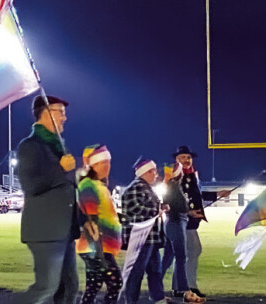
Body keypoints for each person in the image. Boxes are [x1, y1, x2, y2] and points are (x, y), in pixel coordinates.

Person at [13, 95, 80, 304]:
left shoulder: (58, 147)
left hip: (64, 231)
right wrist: (61, 169)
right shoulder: (30, 146)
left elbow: (67, 191)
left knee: (69, 287)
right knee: (45, 288)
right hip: (46, 232)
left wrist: (83, 222)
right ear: (46, 113)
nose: (65, 118)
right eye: (61, 112)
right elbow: (32, 186)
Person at [169, 146, 230, 298]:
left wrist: (217, 193)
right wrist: (188, 212)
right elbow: (174, 199)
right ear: (177, 160)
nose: (186, 160)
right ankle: (188, 286)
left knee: (183, 254)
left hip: (189, 221)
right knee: (193, 251)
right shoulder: (175, 177)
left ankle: (179, 287)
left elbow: (197, 195)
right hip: (182, 220)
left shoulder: (191, 175)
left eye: (188, 157)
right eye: (183, 157)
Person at [76, 145, 122, 304]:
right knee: (115, 282)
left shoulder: (100, 186)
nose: (107, 166)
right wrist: (99, 251)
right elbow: (90, 219)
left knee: (93, 286)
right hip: (96, 246)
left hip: (99, 246)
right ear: (93, 165)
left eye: (109, 162)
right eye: (103, 162)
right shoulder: (88, 185)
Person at [121, 158, 168, 304]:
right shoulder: (135, 188)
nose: (156, 174)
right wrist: (157, 210)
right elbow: (135, 210)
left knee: (155, 270)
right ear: (145, 172)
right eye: (153, 171)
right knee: (137, 272)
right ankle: (131, 300)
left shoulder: (145, 187)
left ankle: (158, 297)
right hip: (141, 239)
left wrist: (160, 208)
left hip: (150, 238)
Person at [160, 163, 205, 303]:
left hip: (173, 223)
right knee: (181, 258)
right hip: (176, 223)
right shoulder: (174, 187)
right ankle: (186, 292)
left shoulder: (170, 186)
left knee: (167, 259)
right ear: (179, 174)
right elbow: (177, 208)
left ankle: (155, 288)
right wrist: (189, 212)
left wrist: (189, 212)